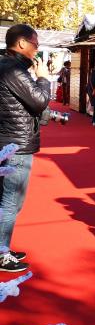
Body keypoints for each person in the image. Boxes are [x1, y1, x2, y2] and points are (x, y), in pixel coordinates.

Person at [0, 24, 51, 273]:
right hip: (15, 146)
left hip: (9, 141)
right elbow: (39, 101)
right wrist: (43, 78)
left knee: (7, 200)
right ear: (21, 43)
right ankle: (2, 254)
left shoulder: (9, 67)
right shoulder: (13, 70)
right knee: (11, 201)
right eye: (35, 44)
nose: (37, 49)